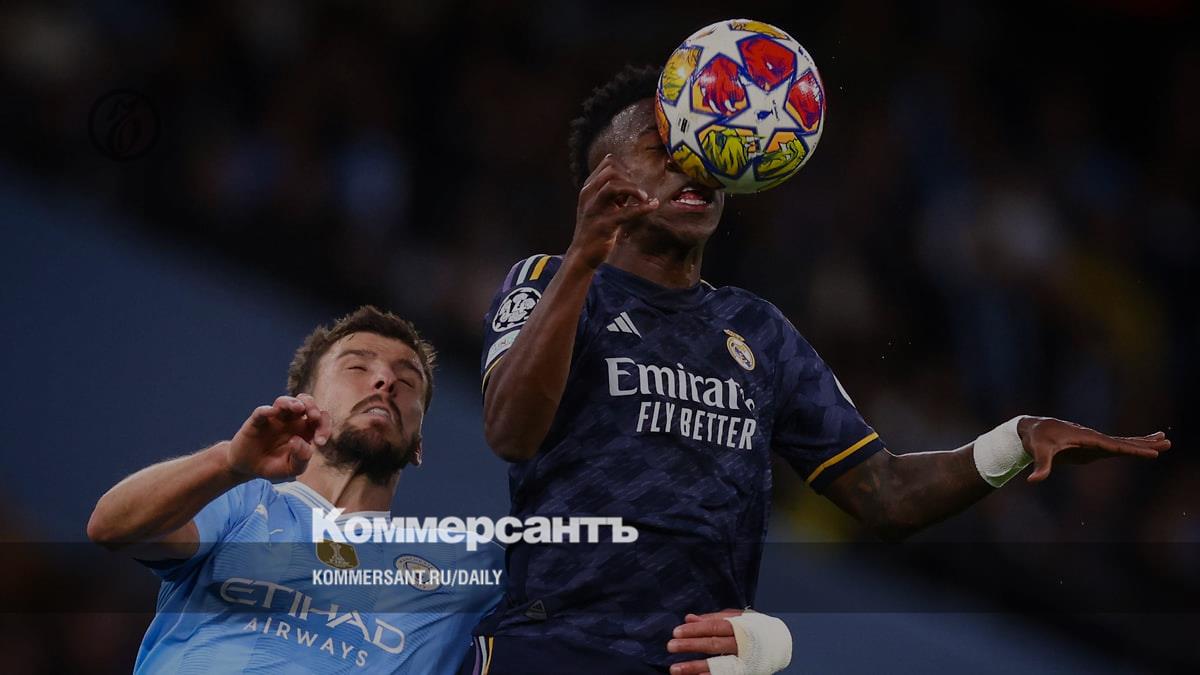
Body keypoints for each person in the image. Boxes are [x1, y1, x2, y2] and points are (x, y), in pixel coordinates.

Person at [472, 65, 1172, 675]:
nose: (702, 157)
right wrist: (583, 258)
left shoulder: (759, 331)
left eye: (713, 138)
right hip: (552, 649)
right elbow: (510, 431)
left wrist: (1013, 440)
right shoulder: (549, 281)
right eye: (669, 146)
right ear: (604, 175)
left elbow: (887, 494)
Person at [87, 306, 504, 674]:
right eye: (358, 368)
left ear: (418, 444)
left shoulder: (466, 569)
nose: (385, 380)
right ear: (305, 403)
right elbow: (110, 527)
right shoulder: (240, 500)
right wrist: (228, 463)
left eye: (407, 381)